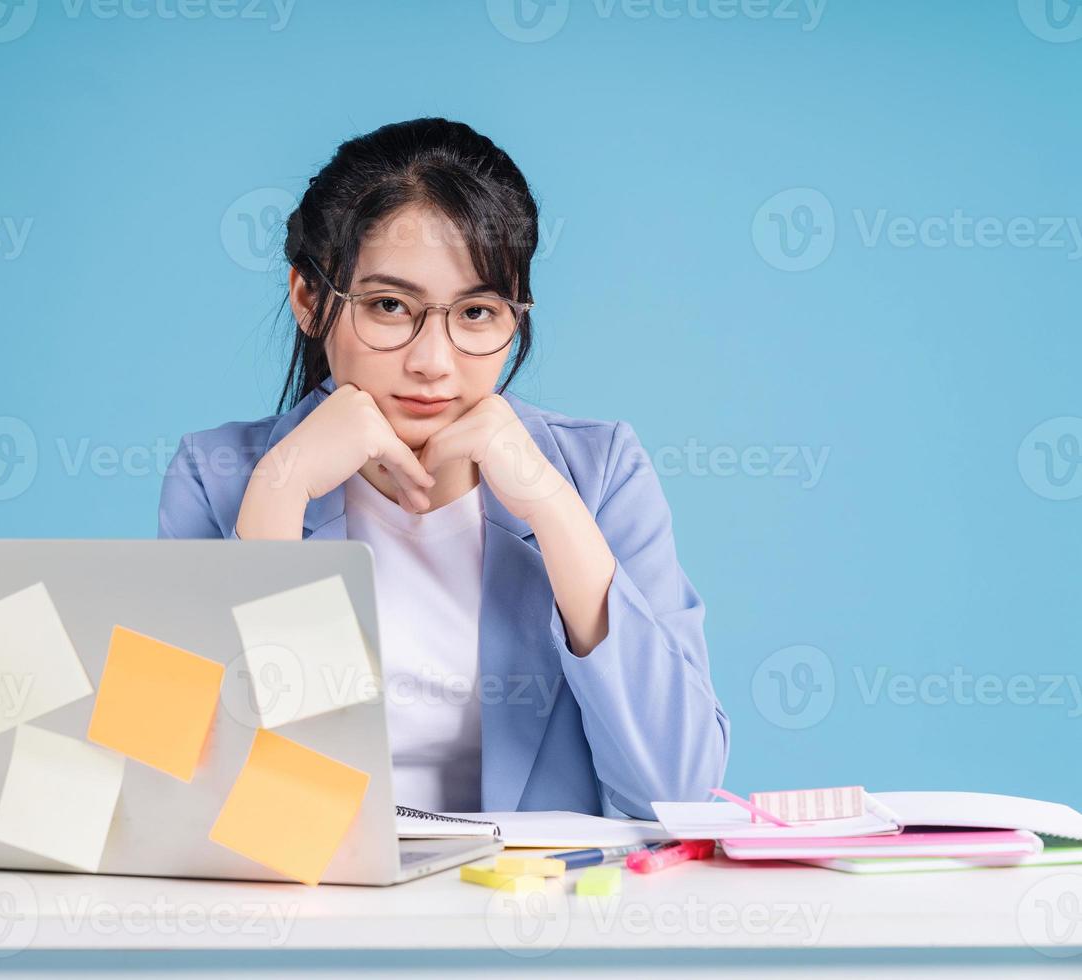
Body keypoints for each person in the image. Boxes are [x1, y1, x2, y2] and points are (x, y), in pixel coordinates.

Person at [158, 118, 728, 818]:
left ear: (516, 317)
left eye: (478, 312)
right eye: (390, 306)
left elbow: (676, 790)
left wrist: (551, 505)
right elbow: (183, 787)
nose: (433, 361)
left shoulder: (600, 471)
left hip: (530, 907)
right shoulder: (218, 475)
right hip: (314, 912)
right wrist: (279, 494)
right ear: (309, 299)